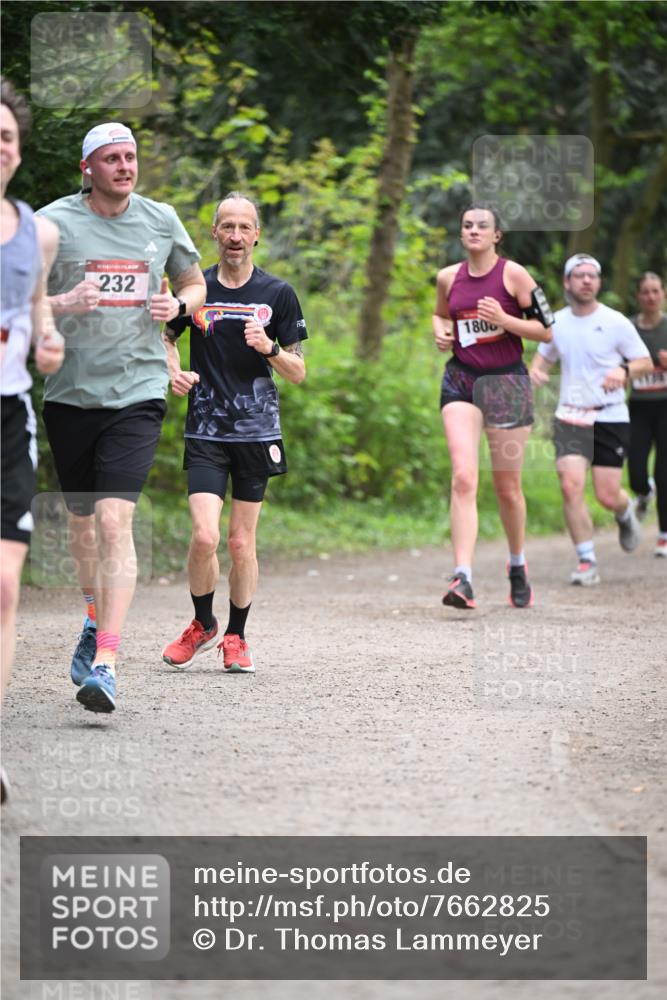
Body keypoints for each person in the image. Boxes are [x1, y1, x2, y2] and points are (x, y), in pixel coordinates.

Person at [37, 122, 206, 714]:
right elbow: (17, 296)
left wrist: (179, 306)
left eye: (131, 156)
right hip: (70, 393)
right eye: (111, 158)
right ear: (88, 167)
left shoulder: (160, 219)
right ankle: (91, 615)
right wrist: (63, 302)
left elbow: (193, 279)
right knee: (82, 526)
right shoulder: (51, 222)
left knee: (114, 523)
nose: (124, 166)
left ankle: (106, 663)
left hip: (138, 390)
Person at [161, 192, 307, 674]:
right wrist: (173, 371)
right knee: (205, 537)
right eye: (228, 227)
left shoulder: (279, 294)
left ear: (257, 234)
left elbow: (299, 371)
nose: (236, 236)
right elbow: (162, 336)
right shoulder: (196, 290)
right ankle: (203, 624)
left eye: (245, 227)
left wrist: (270, 349)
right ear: (214, 233)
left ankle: (236, 635)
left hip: (256, 432)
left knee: (242, 543)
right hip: (205, 429)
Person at [432, 204, 553, 610]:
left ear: (497, 235)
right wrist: (442, 333)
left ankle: (517, 564)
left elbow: (546, 330)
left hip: (507, 383)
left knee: (508, 488)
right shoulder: (448, 277)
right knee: (464, 477)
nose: (473, 231)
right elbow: (438, 316)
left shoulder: (515, 275)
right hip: (461, 380)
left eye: (482, 226)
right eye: (467, 225)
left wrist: (505, 319)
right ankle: (463, 576)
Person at [1, 77, 64, 800]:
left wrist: (47, 343)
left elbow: (38, 315)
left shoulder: (37, 233)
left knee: (5, 587)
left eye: (7, 137)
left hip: (7, 421)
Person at [530, 254, 652, 585]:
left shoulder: (616, 322)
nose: (587, 280)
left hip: (610, 415)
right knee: (570, 486)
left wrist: (623, 370)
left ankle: (625, 511)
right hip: (570, 415)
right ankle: (587, 560)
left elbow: (644, 361)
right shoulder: (555, 323)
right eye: (579, 275)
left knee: (606, 495)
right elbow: (540, 362)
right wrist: (537, 374)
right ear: (567, 282)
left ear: (598, 282)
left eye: (592, 276)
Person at [627, 272, 667, 557]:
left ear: (663, 294)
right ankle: (643, 492)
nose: (651, 297)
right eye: (646, 292)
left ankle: (664, 534)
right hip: (638, 406)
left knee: (664, 472)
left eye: (656, 291)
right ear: (638, 296)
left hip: (665, 405)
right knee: (636, 470)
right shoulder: (628, 328)